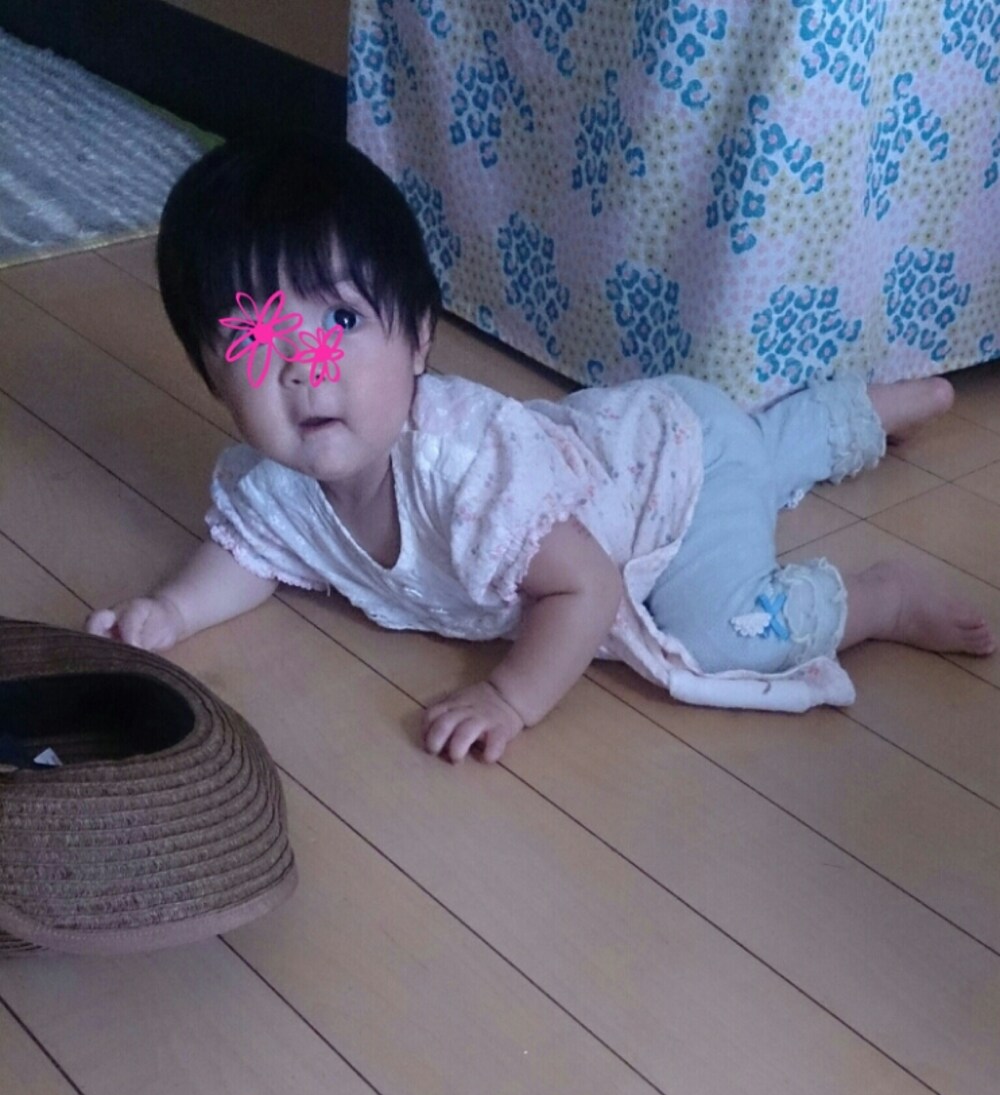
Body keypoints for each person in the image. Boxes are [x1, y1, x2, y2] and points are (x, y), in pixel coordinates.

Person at [87, 136, 995, 763]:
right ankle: (860, 413)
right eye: (253, 339)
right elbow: (249, 552)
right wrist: (170, 612)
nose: (303, 365)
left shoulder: (469, 474)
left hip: (666, 492)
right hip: (648, 434)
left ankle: (879, 600)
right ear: (211, 376)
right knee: (750, 453)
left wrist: (509, 697)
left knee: (718, 631)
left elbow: (585, 587)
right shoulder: (274, 485)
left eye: (344, 320)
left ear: (420, 340)